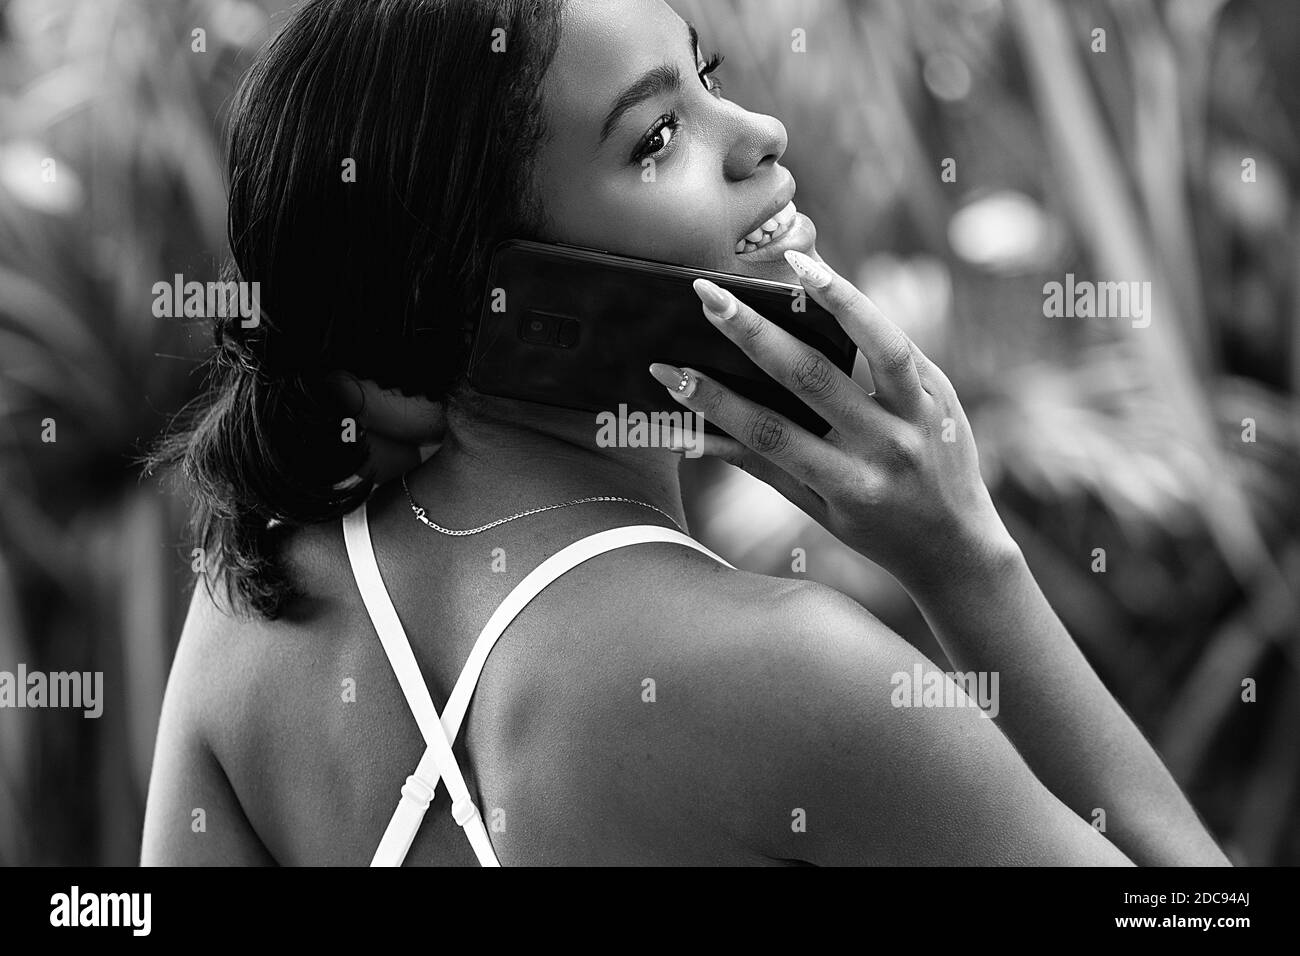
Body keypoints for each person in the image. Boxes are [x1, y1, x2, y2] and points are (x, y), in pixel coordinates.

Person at [141, 0, 1231, 866]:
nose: (760, 135)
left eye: (707, 78)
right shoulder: (788, 670)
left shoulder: (252, 601)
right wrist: (970, 567)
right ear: (510, 293)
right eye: (656, 136)